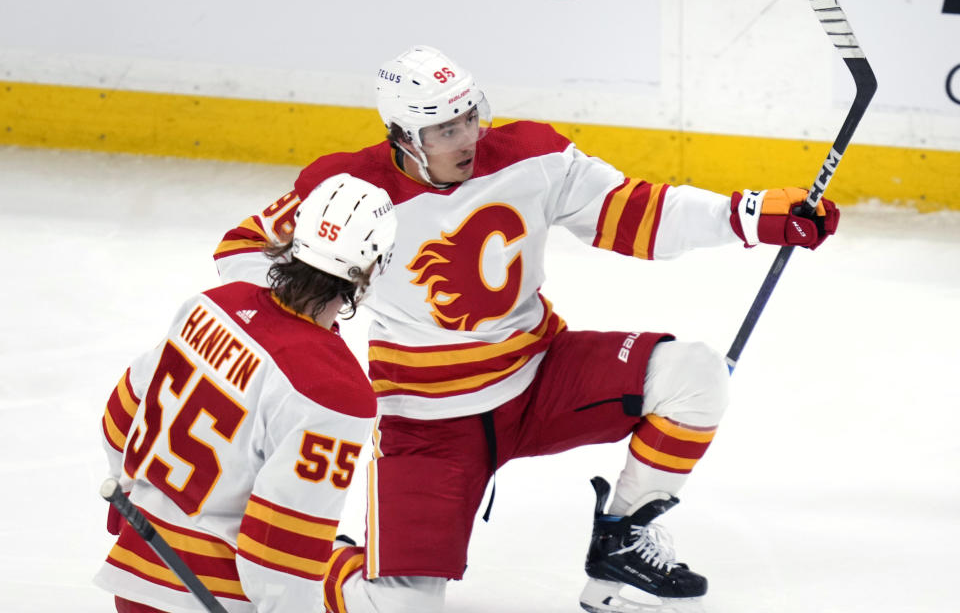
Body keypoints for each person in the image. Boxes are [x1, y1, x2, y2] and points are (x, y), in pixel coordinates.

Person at [213, 45, 840, 613]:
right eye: (443, 129)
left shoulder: (530, 156)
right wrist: (299, 335)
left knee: (696, 375)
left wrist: (748, 215)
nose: (466, 139)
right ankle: (328, 560)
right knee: (400, 608)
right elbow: (242, 250)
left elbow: (637, 212)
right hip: (427, 424)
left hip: (540, 377)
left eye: (470, 119)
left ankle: (622, 539)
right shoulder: (349, 188)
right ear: (404, 135)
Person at [95, 174, 398, 613]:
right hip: (210, 598)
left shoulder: (212, 304)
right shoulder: (336, 391)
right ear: (374, 268)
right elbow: (279, 549)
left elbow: (123, 409)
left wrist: (132, 499)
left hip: (136, 575)